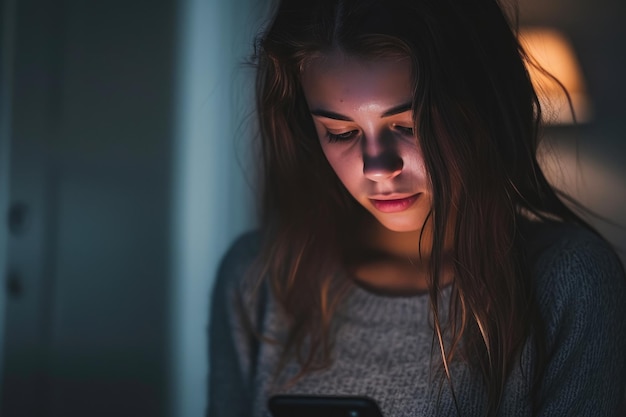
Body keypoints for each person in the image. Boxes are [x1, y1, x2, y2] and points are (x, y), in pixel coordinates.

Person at [208, 0, 626, 416]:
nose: (379, 168)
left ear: (482, 111)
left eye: (410, 126)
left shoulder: (569, 282)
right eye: (340, 132)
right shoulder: (259, 276)